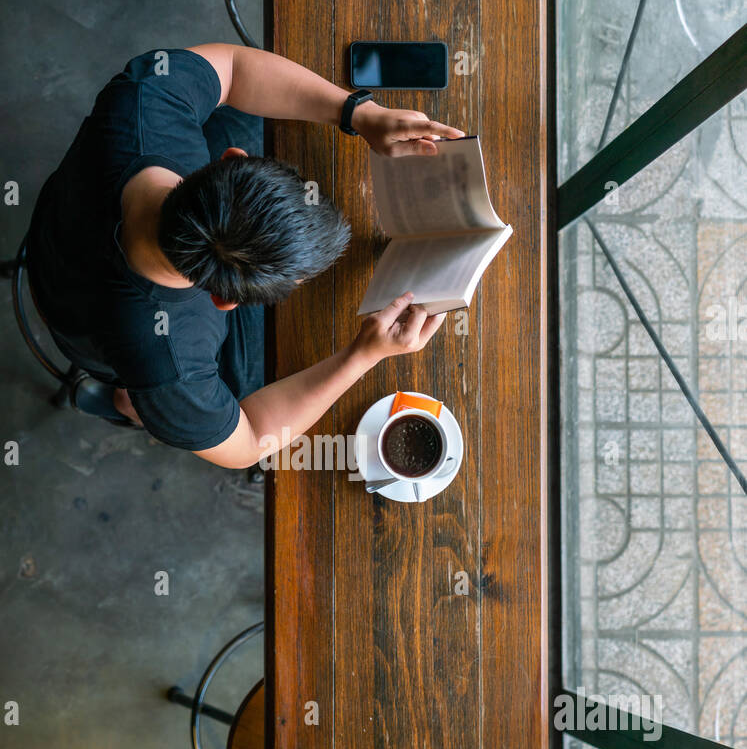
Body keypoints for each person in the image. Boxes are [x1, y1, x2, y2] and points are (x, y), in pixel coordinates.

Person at [24, 44, 462, 469]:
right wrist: (362, 355)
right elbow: (249, 440)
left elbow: (232, 66)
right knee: (248, 385)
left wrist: (359, 114)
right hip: (85, 329)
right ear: (223, 302)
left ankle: (150, 404)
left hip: (57, 229)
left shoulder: (146, 97)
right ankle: (130, 403)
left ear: (232, 159)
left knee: (249, 115)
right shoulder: (172, 361)